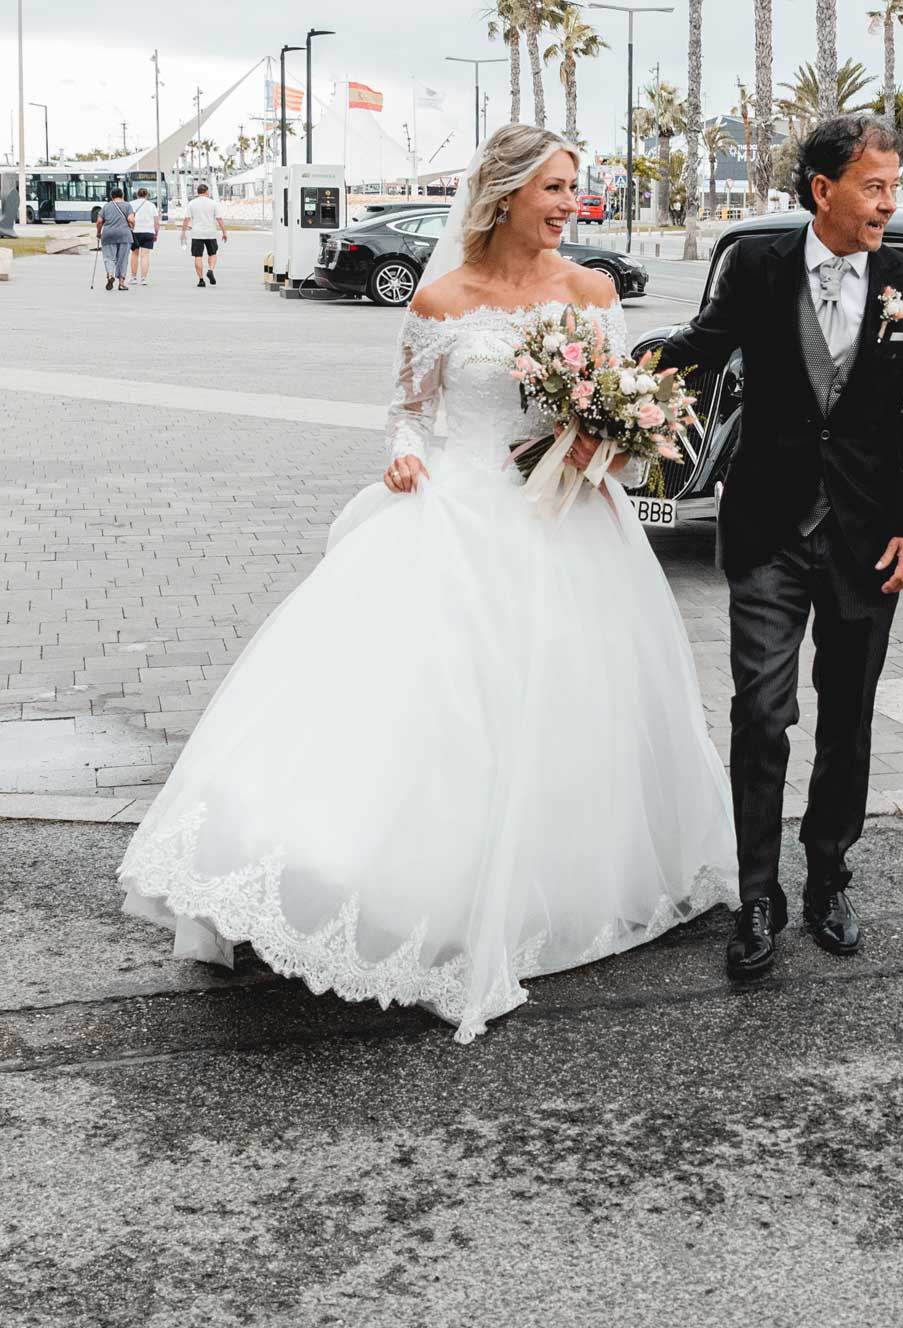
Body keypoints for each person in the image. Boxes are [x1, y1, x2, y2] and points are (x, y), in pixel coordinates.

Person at [118, 124, 737, 1043]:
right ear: (505, 194)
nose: (570, 203)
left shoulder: (592, 292)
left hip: (571, 525)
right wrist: (406, 457)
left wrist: (605, 446)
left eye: (573, 187)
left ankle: (562, 881)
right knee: (435, 706)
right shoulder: (442, 300)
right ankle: (381, 878)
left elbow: (618, 424)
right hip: (457, 511)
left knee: (572, 702)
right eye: (554, 188)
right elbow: (409, 412)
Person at [657, 113, 903, 981]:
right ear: (823, 190)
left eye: (896, 188)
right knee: (761, 713)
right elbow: (700, 350)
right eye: (874, 186)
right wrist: (603, 388)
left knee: (849, 718)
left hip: (869, 541)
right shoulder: (758, 265)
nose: (888, 204)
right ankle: (756, 894)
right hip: (769, 533)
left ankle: (827, 878)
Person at [181, 183, 227, 286]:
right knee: (212, 254)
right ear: (207, 192)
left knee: (198, 256)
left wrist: (183, 233)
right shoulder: (213, 203)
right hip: (210, 233)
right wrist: (224, 232)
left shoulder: (192, 203)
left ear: (198, 192)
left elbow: (186, 219)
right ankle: (210, 270)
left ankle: (201, 280)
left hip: (197, 233)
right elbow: (219, 219)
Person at [97, 189, 134, 293]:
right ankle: (121, 284)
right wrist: (132, 227)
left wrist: (99, 232)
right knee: (123, 259)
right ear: (122, 195)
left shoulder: (106, 206)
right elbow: (131, 219)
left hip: (108, 234)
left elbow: (99, 221)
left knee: (109, 257)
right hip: (124, 235)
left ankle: (110, 275)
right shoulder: (127, 206)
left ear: (111, 196)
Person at [128, 187, 160, 284]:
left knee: (134, 254)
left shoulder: (131, 204)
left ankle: (133, 277)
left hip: (135, 232)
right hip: (148, 232)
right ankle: (144, 279)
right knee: (145, 256)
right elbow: (156, 222)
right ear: (147, 195)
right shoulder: (152, 205)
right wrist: (156, 234)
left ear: (137, 195)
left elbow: (128, 219)